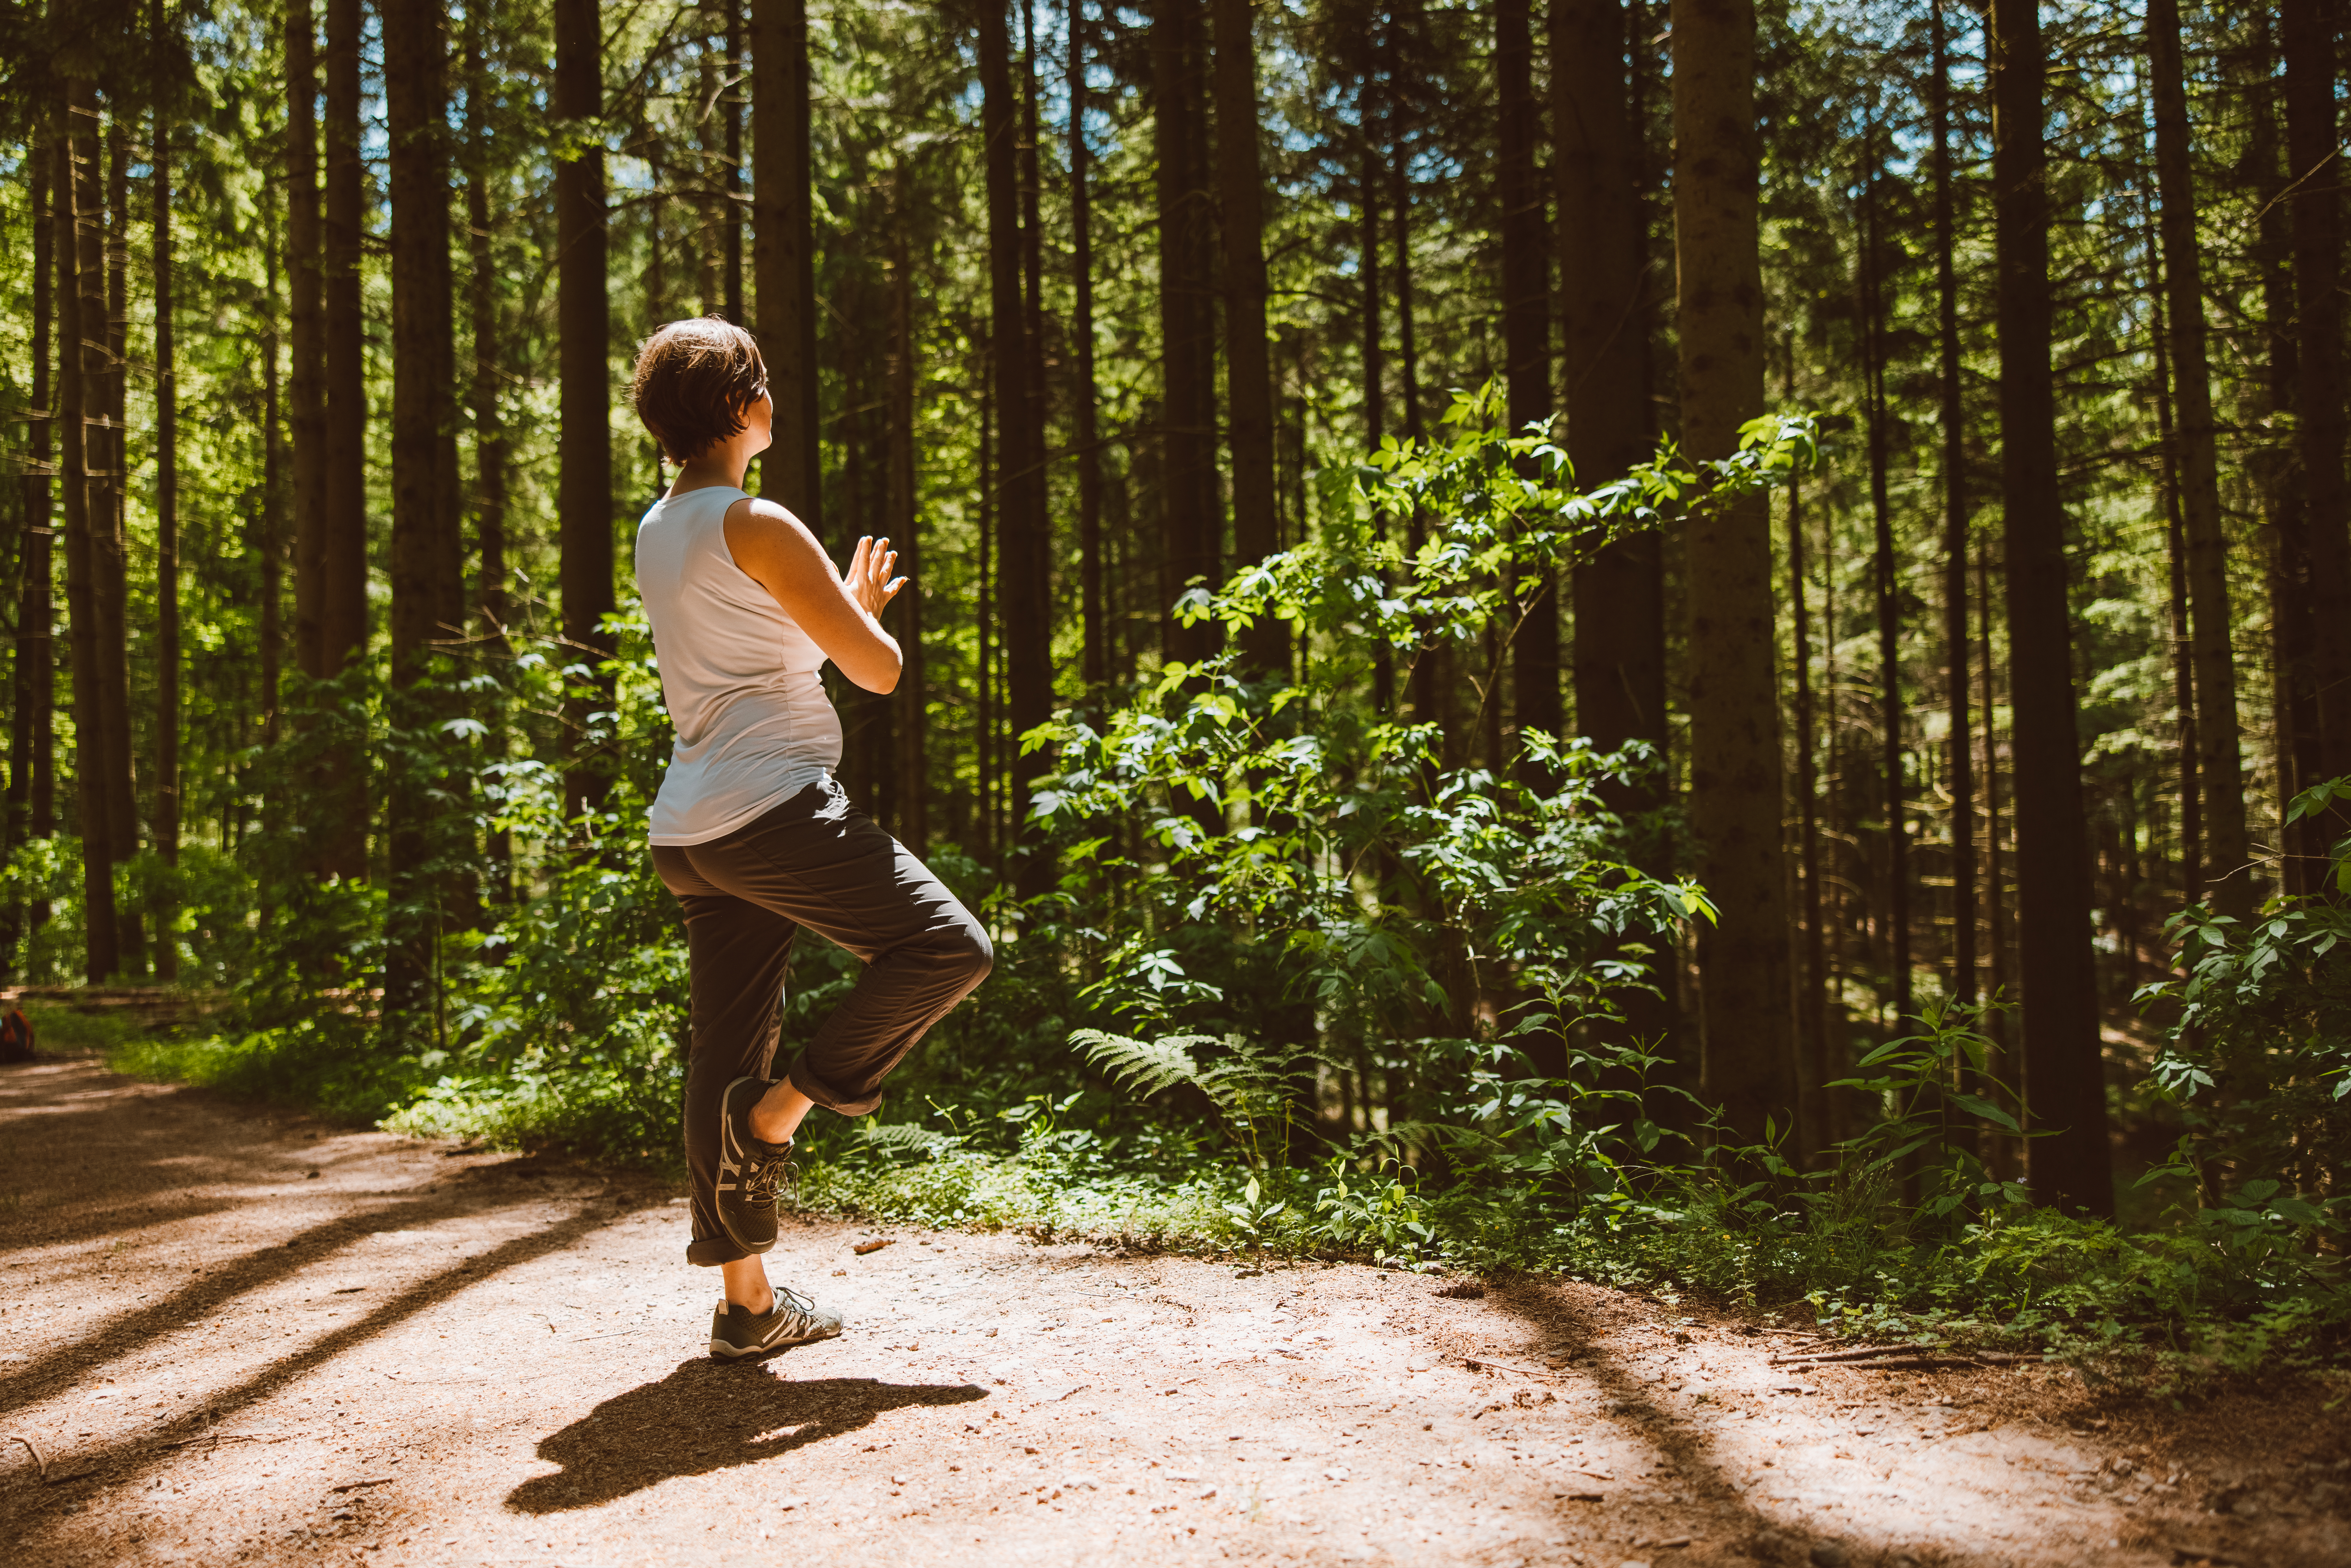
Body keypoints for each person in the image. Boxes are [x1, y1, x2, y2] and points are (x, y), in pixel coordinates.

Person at [629, 316, 993, 1362]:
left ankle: (748, 1310)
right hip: (773, 805)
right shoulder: (762, 520)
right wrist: (862, 616)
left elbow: (757, 654)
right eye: (767, 383)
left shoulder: (661, 526)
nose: (773, 397)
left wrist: (833, 613)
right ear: (747, 409)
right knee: (947, 948)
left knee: (723, 1050)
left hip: (691, 828)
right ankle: (782, 1115)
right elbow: (875, 671)